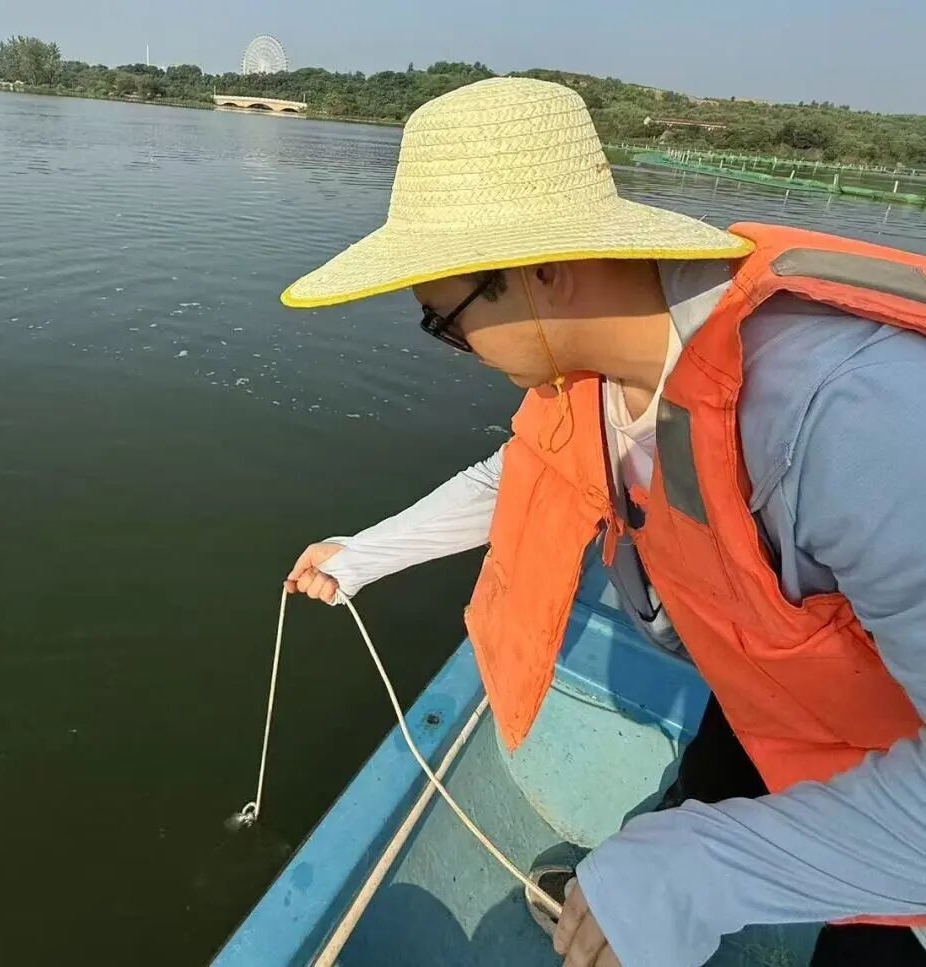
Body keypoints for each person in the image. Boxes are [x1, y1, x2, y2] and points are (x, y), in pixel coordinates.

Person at [282, 77, 926, 967]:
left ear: (544, 268)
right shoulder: (595, 371)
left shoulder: (853, 419)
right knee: (706, 785)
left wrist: (695, 874)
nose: (452, 349)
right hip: (774, 699)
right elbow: (517, 474)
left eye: (446, 320)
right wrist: (361, 555)